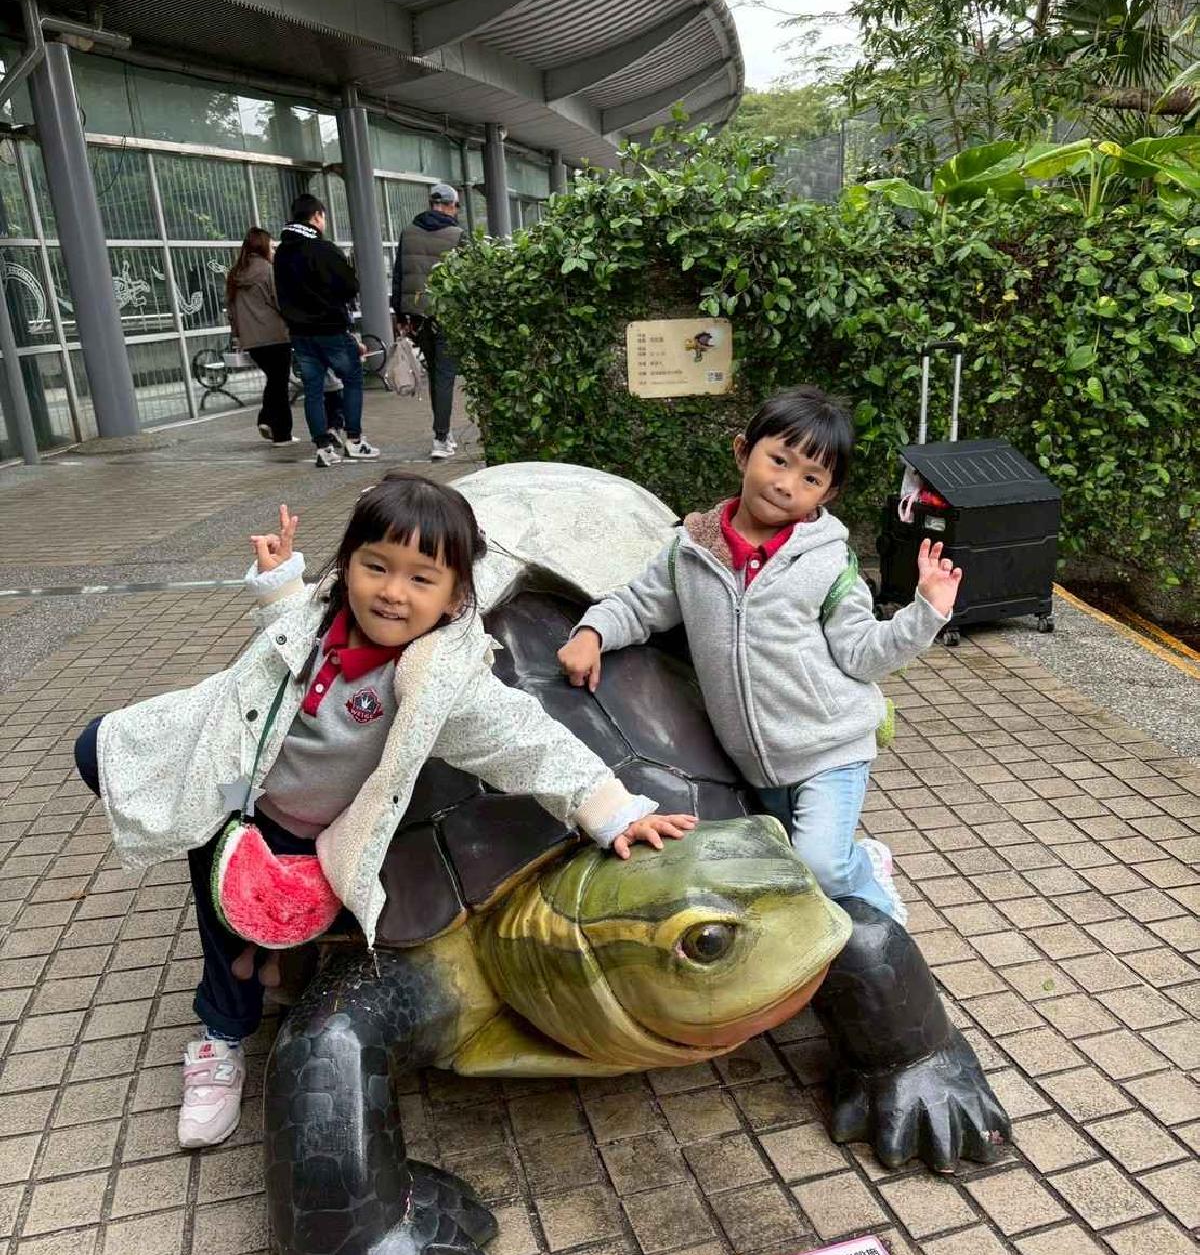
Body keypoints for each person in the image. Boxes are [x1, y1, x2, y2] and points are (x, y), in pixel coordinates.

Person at [73, 474, 695, 1149]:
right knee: (106, 757)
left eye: (420, 578)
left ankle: (222, 1034)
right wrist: (279, 583)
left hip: (303, 827)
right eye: (376, 567)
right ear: (347, 566)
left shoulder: (438, 682)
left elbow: (527, 741)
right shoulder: (320, 619)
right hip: (230, 782)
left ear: (456, 596)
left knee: (246, 921)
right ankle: (256, 954)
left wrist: (613, 810)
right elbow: (283, 639)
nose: (393, 592)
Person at [557, 386, 963, 927]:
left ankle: (871, 881)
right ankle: (844, 870)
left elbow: (863, 653)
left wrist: (925, 613)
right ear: (743, 451)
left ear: (828, 493)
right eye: (779, 460)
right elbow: (639, 604)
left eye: (811, 479)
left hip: (830, 748)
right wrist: (593, 632)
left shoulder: (828, 563)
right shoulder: (691, 551)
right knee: (786, 862)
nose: (787, 484)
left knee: (820, 865)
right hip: (754, 763)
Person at [274, 192, 379, 469]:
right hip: (330, 328)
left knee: (313, 389)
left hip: (300, 332)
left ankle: (323, 447)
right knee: (353, 377)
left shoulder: (282, 252)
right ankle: (354, 439)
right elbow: (350, 286)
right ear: (317, 216)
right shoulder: (323, 249)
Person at [391, 182, 463, 461]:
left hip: (418, 317)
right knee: (444, 376)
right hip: (447, 316)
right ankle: (441, 437)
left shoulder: (408, 232)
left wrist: (400, 315)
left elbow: (399, 276)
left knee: (435, 373)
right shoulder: (457, 235)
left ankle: (443, 432)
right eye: (456, 206)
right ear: (449, 206)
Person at [224, 228, 294, 447]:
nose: (273, 251)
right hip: (276, 336)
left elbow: (231, 312)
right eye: (271, 246)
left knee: (274, 380)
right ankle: (280, 433)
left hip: (251, 341)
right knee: (279, 383)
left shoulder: (235, 275)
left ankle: (268, 420)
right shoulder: (268, 270)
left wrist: (237, 336)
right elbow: (281, 302)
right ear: (263, 246)